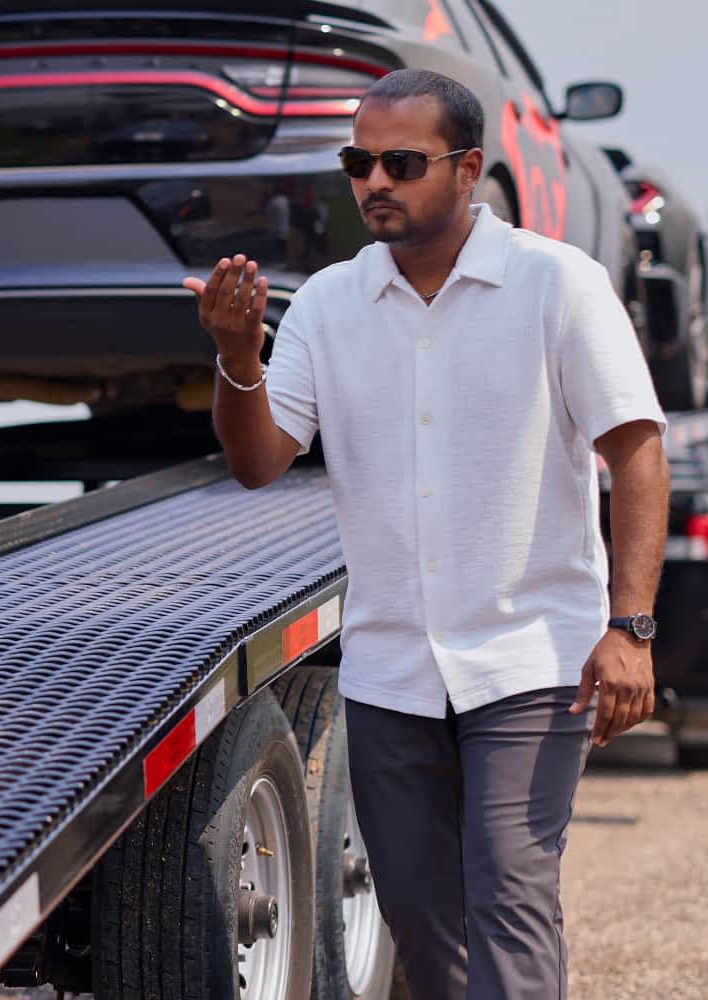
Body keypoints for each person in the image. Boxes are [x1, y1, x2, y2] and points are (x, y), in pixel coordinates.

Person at [182, 68, 669, 1000]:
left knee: (509, 898)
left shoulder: (556, 283)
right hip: (391, 668)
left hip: (530, 658)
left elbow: (636, 452)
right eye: (359, 161)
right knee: (417, 920)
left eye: (401, 162)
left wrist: (631, 626)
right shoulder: (328, 303)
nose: (374, 182)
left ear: (469, 167)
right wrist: (238, 359)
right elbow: (259, 460)